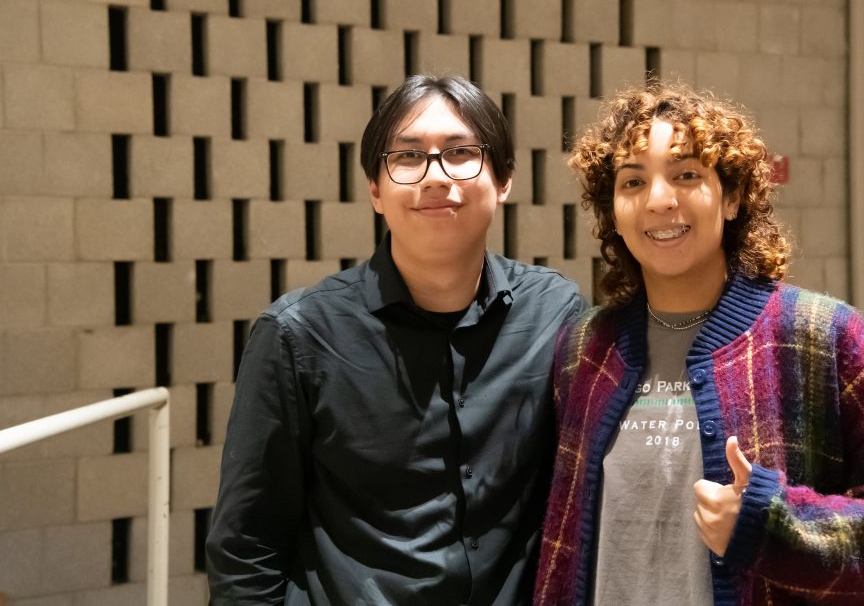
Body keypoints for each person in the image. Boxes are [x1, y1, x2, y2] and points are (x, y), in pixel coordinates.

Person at [534, 80, 864, 605]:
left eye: (686, 175)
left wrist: (774, 525)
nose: (658, 200)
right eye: (633, 182)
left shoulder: (818, 337)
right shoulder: (584, 350)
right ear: (612, 210)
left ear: (731, 197)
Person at [206, 75, 586, 605]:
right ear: (375, 190)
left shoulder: (556, 313)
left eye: (460, 152)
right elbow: (247, 547)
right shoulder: (299, 334)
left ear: (503, 181)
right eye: (408, 157)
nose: (436, 176)